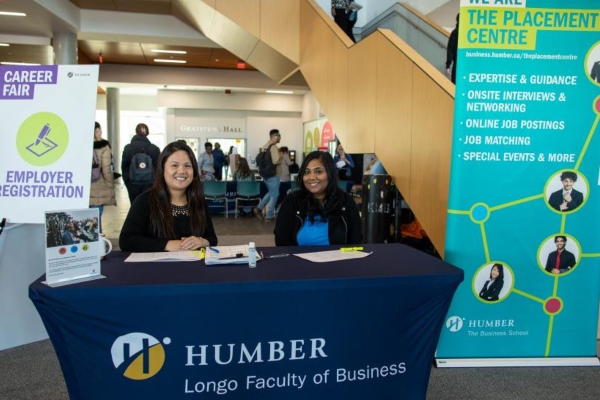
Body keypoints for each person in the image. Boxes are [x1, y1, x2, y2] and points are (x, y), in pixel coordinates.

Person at [119, 141, 218, 252]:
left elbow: (212, 238)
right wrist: (166, 245)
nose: (181, 171)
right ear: (162, 169)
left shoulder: (198, 201)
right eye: (174, 165)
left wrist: (202, 241)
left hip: (193, 267)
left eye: (187, 166)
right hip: (156, 268)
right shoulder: (145, 201)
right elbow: (126, 240)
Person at [274, 151, 362, 246]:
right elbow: (281, 240)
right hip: (298, 259)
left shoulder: (345, 201)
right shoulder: (292, 200)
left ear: (330, 174)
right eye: (306, 172)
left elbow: (355, 239)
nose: (311, 177)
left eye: (318, 171)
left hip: (339, 259)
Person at [121, 123, 160, 204]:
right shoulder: (154, 149)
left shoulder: (128, 148)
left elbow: (124, 167)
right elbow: (159, 168)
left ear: (136, 132)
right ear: (147, 133)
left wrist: (127, 181)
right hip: (150, 184)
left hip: (132, 183)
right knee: (149, 207)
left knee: (134, 206)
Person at [89, 122, 116, 233]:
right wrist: (110, 185)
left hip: (81, 188)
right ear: (98, 130)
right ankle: (97, 243)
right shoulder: (104, 146)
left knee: (83, 217)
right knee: (95, 217)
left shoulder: (79, 144)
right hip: (98, 186)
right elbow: (106, 169)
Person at [253, 129, 282, 222]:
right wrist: (281, 156)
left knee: (271, 193)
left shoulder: (265, 146)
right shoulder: (273, 147)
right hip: (273, 174)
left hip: (266, 174)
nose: (280, 137)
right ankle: (269, 215)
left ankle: (259, 208)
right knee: (275, 195)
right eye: (278, 136)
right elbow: (276, 160)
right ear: (274, 137)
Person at [445, 13, 459, 84]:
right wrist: (448, 64)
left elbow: (450, 49)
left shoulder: (455, 32)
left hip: (458, 64)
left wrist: (448, 65)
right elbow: (450, 49)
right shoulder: (456, 33)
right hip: (464, 64)